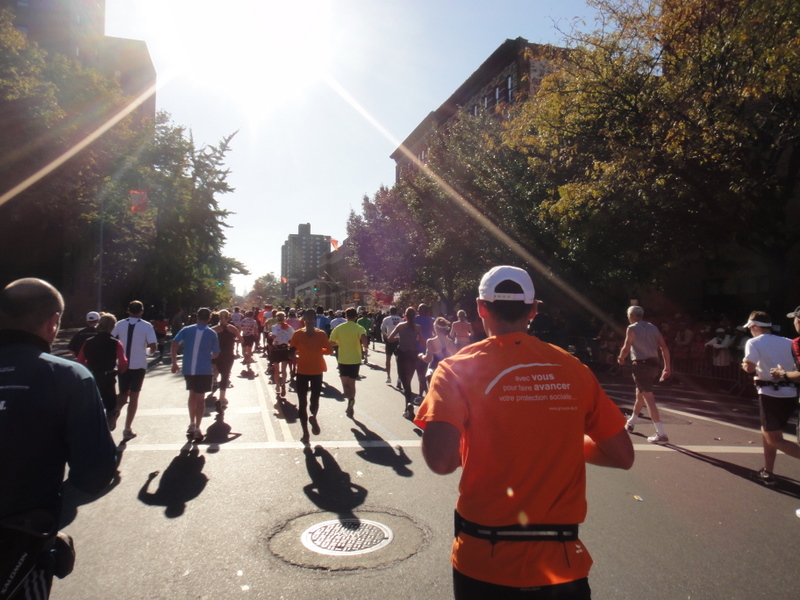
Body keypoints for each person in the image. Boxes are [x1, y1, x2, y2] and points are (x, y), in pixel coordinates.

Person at [414, 266, 633, 599]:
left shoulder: (456, 369)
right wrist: (564, 444)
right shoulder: (575, 369)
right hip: (561, 564)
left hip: (483, 560)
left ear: (481, 308)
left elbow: (441, 462)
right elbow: (623, 455)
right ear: (533, 310)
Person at [0, 278, 117, 600]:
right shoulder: (68, 377)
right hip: (19, 552)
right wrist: (47, 520)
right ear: (54, 322)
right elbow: (96, 471)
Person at [739, 311, 800, 486]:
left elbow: (749, 368)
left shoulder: (753, 342)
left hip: (770, 394)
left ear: (754, 326)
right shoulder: (788, 342)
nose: (750, 331)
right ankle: (768, 471)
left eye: (750, 327)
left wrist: (745, 365)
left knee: (773, 437)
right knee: (769, 432)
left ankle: (769, 472)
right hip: (790, 393)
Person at [618, 305, 672, 444]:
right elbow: (664, 347)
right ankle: (631, 422)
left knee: (648, 397)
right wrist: (667, 367)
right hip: (654, 364)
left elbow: (626, 346)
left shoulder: (632, 328)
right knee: (640, 393)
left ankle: (661, 433)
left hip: (640, 364)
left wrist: (621, 358)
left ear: (631, 316)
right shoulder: (653, 328)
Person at [171, 308, 220, 442]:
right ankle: (198, 427)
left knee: (192, 395)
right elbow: (216, 353)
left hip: (188, 368)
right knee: (200, 398)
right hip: (204, 369)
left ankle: (192, 423)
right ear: (209, 319)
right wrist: (207, 357)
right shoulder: (212, 333)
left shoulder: (186, 330)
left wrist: (174, 362)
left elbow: (174, 343)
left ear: (197, 317)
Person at [112, 300, 157, 441]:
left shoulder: (120, 324)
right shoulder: (146, 326)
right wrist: (146, 353)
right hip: (138, 365)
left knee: (123, 393)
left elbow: (111, 338)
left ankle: (115, 413)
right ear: (141, 311)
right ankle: (127, 428)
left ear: (128, 310)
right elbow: (153, 346)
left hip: (122, 364)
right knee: (134, 396)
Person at [290, 308, 334, 443]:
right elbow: (330, 350)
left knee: (302, 403)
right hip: (317, 370)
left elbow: (291, 352)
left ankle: (305, 433)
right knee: (315, 398)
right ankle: (313, 415)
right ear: (315, 319)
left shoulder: (297, 334)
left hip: (302, 370)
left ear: (303, 319)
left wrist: (299, 352)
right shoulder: (321, 334)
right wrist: (319, 350)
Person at [77, 313, 128, 427]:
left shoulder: (88, 341)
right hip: (108, 377)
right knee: (110, 405)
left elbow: (80, 360)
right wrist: (120, 370)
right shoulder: (116, 343)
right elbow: (123, 363)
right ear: (113, 327)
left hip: (92, 376)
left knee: (93, 404)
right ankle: (109, 424)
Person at [329, 308, 368, 418]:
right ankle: (352, 401)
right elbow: (364, 339)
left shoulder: (339, 328)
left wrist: (339, 343)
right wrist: (365, 347)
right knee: (352, 383)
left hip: (343, 359)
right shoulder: (359, 328)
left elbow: (331, 342)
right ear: (356, 317)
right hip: (355, 359)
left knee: (345, 384)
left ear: (346, 316)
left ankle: (350, 399)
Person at [388, 307, 424, 420]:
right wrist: (416, 340)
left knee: (405, 382)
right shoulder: (418, 328)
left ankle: (408, 404)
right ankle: (409, 405)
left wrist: (400, 338)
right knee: (411, 377)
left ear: (405, 315)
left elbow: (390, 338)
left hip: (402, 354)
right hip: (413, 354)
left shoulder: (400, 326)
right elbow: (423, 342)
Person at [211, 309, 241, 412]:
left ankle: (213, 380)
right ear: (229, 317)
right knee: (225, 375)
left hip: (217, 354)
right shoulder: (232, 329)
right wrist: (233, 340)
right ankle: (222, 398)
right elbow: (241, 340)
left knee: (217, 370)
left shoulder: (213, 329)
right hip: (229, 355)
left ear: (218, 318)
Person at [270, 311, 295, 397]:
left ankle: (277, 386)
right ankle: (283, 384)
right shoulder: (289, 327)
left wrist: (270, 335)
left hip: (277, 349)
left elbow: (274, 336)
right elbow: (292, 338)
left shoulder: (275, 327)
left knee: (276, 369)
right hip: (285, 348)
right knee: (284, 369)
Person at [381, 307, 403, 385]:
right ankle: (399, 378)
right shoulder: (400, 319)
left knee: (388, 359)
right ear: (396, 312)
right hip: (398, 340)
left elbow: (382, 328)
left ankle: (388, 377)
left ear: (390, 312)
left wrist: (385, 336)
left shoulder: (386, 319)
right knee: (398, 360)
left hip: (389, 340)